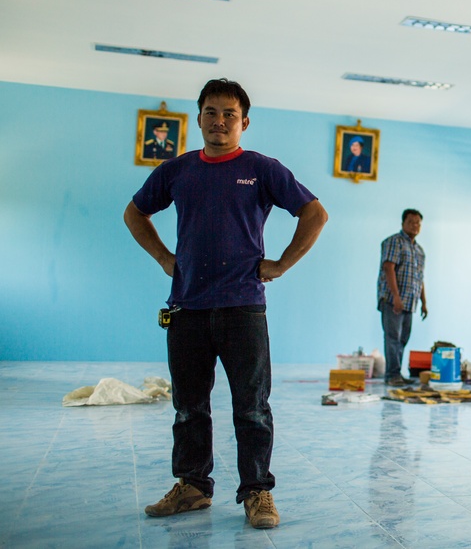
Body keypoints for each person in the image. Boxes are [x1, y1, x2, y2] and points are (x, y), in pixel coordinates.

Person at [123, 78, 328, 530]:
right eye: (211, 112)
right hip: (187, 307)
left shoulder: (261, 168)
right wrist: (163, 257)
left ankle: (257, 492)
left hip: (243, 308)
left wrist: (282, 264)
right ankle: (193, 486)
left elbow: (315, 213)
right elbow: (134, 213)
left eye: (229, 114)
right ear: (198, 119)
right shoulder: (177, 171)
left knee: (252, 407)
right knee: (188, 406)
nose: (219, 121)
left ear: (244, 122)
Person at [377, 209, 427, 386]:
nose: (415, 225)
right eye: (411, 222)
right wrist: (396, 297)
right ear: (403, 223)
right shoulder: (393, 242)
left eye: (418, 223)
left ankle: (397, 373)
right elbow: (388, 268)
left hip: (410, 302)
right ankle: (391, 376)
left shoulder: (419, 251)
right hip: (392, 300)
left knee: (403, 339)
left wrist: (424, 302)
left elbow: (419, 278)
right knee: (393, 338)